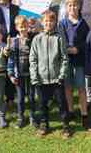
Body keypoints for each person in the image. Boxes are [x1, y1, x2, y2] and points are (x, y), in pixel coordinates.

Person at [29, 10, 71, 138]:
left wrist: (62, 75)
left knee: (61, 103)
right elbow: (33, 59)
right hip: (41, 79)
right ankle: (44, 124)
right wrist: (34, 77)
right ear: (41, 22)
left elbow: (64, 58)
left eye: (51, 21)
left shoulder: (59, 38)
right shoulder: (37, 39)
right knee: (42, 104)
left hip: (56, 78)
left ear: (55, 22)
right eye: (46, 21)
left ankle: (65, 125)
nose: (48, 23)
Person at [58, 0, 91, 131]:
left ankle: (84, 115)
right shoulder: (62, 23)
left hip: (79, 60)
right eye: (70, 6)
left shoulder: (83, 23)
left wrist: (77, 48)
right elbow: (61, 38)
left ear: (79, 7)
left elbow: (86, 41)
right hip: (66, 60)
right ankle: (71, 111)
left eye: (74, 5)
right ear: (66, 8)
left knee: (81, 88)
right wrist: (67, 48)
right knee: (68, 87)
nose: (72, 8)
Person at [8, 15, 38, 128]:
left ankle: (32, 116)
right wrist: (11, 74)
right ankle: (20, 117)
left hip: (31, 74)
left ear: (28, 26)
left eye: (25, 26)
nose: (23, 29)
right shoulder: (13, 41)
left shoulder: (33, 39)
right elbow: (11, 59)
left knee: (31, 96)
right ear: (16, 27)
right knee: (20, 97)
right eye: (21, 27)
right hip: (18, 74)